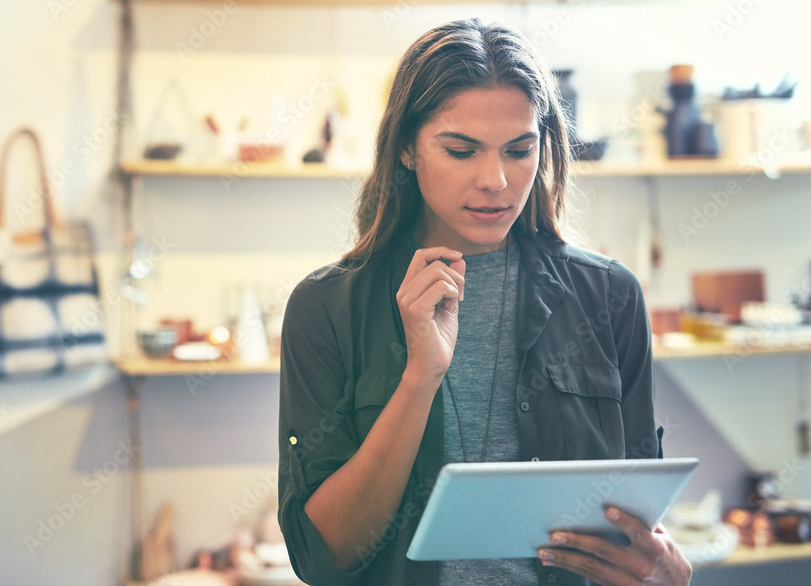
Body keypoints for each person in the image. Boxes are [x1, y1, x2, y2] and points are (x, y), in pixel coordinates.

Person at [277, 18, 692, 586]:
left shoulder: (610, 297)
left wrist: (664, 570)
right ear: (405, 148)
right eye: (461, 150)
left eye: (519, 150)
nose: (496, 180)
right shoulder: (326, 306)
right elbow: (323, 558)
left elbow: (637, 524)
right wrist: (420, 376)